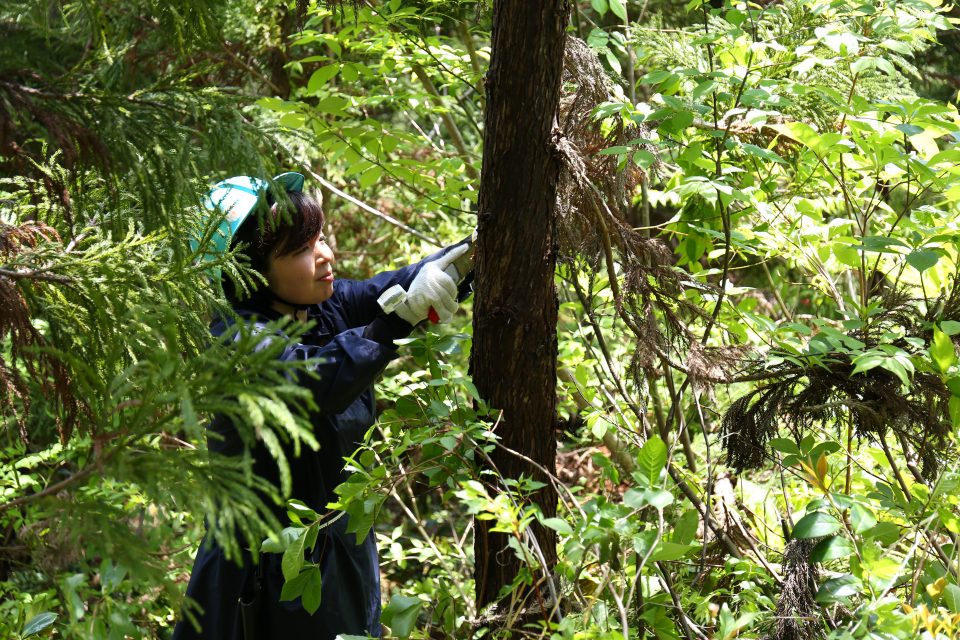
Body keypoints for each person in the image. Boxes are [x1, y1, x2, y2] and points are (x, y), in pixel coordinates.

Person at [173, 172, 472, 640]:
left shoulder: (321, 307)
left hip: (341, 552)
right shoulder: (235, 342)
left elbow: (388, 289)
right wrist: (399, 322)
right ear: (248, 274)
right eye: (299, 250)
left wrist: (463, 260)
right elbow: (316, 377)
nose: (325, 255)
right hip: (268, 574)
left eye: (319, 238)